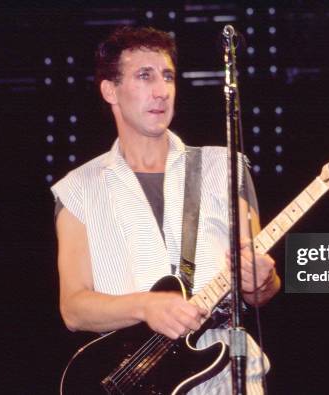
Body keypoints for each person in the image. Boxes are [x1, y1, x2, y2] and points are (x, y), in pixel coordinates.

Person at [52, 26, 281, 393]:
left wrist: (263, 281)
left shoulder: (222, 168)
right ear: (110, 90)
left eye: (168, 76)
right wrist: (146, 307)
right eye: (145, 76)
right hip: (134, 375)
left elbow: (260, 291)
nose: (162, 90)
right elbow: (74, 308)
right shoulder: (78, 188)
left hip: (225, 371)